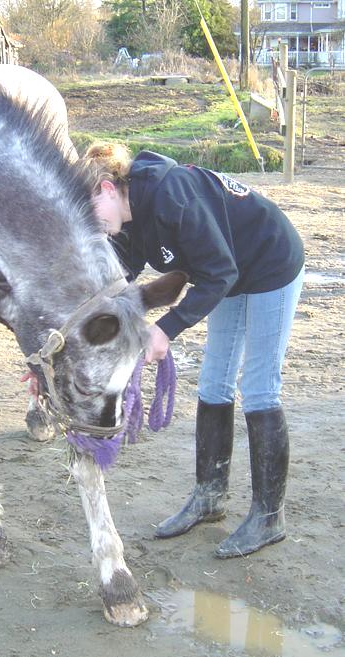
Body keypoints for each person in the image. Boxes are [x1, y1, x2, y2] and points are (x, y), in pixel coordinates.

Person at [83, 142, 305, 558]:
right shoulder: (127, 220)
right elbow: (117, 283)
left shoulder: (172, 196)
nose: (91, 223)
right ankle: (210, 495)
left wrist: (164, 331)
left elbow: (218, 273)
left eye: (89, 206)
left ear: (108, 188)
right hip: (231, 273)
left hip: (270, 261)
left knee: (259, 387)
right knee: (214, 382)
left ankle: (268, 517)